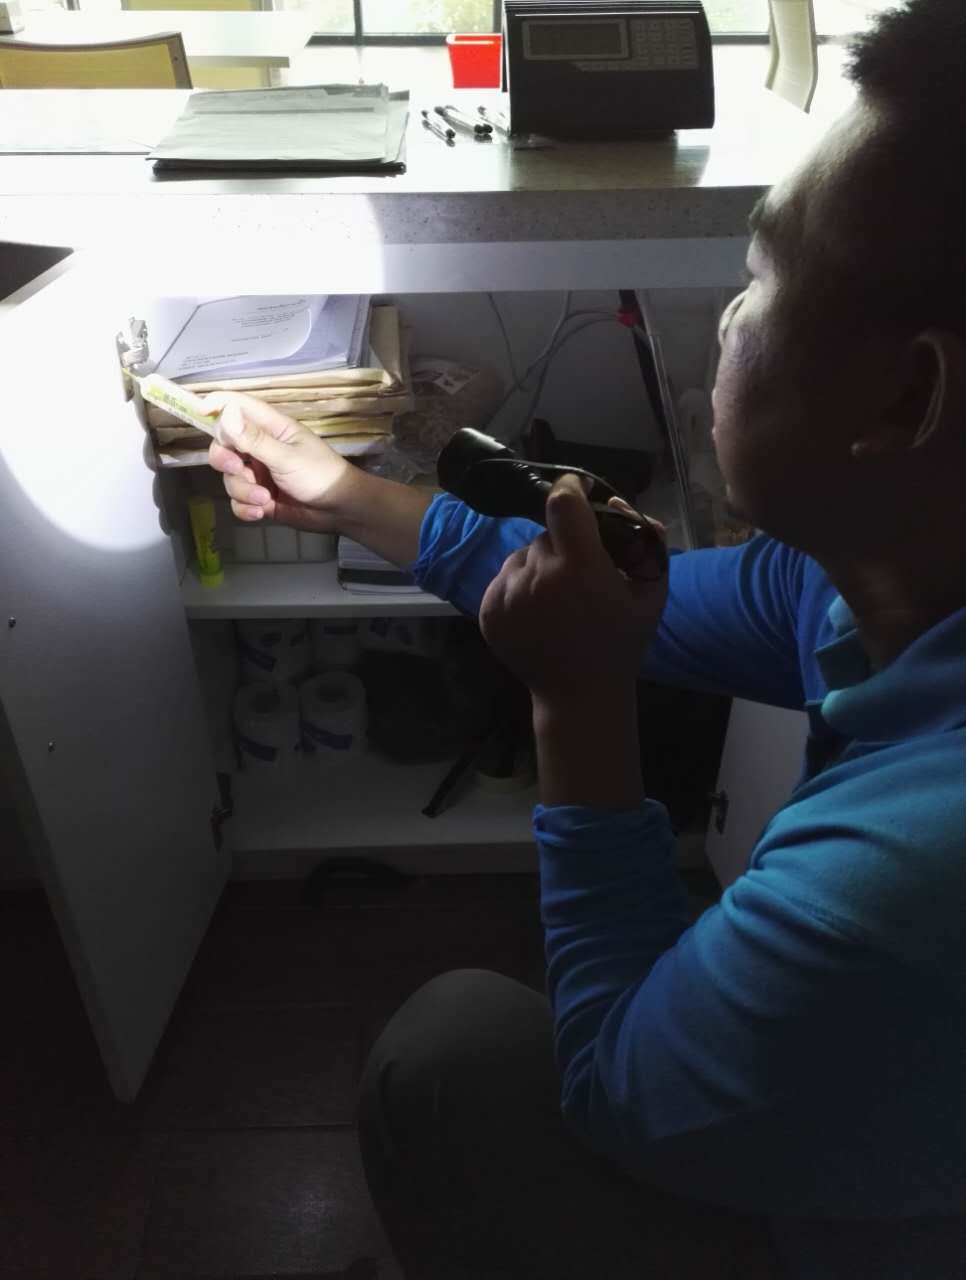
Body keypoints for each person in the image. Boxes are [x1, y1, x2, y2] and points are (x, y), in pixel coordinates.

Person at [204, 2, 966, 1274]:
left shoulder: (900, 887)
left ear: (907, 395)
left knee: (448, 1049)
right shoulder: (872, 577)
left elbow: (617, 1083)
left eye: (762, 274)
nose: (730, 316)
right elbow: (602, 584)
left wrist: (577, 704)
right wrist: (343, 493)